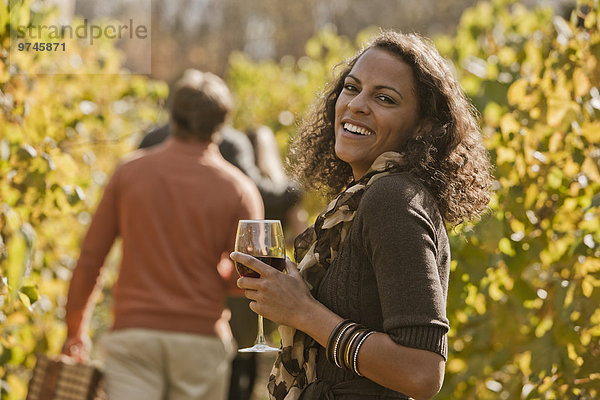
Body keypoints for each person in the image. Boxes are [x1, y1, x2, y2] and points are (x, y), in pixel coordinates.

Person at [231, 30, 493, 400]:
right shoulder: (361, 198)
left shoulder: (393, 199)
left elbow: (421, 371)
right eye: (352, 88)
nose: (356, 105)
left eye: (384, 98)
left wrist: (304, 312)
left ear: (423, 126)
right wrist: (292, 297)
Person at [62, 69, 264, 400]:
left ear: (173, 115)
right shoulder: (239, 189)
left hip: (133, 336)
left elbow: (90, 259)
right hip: (200, 342)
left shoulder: (129, 173)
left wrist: (75, 328)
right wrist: (213, 274)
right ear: (222, 124)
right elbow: (250, 276)